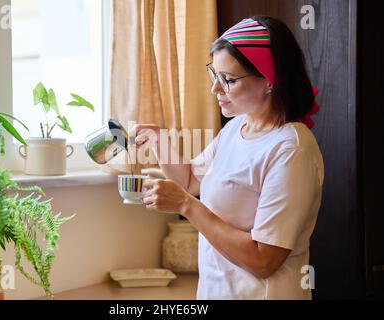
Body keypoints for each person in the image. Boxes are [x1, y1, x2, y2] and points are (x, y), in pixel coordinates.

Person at [130, 16, 324, 300]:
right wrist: (160, 141)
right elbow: (189, 180)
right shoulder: (236, 129)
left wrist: (187, 206)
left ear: (270, 81)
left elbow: (264, 260)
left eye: (228, 80)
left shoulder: (291, 150)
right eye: (215, 75)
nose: (215, 89)